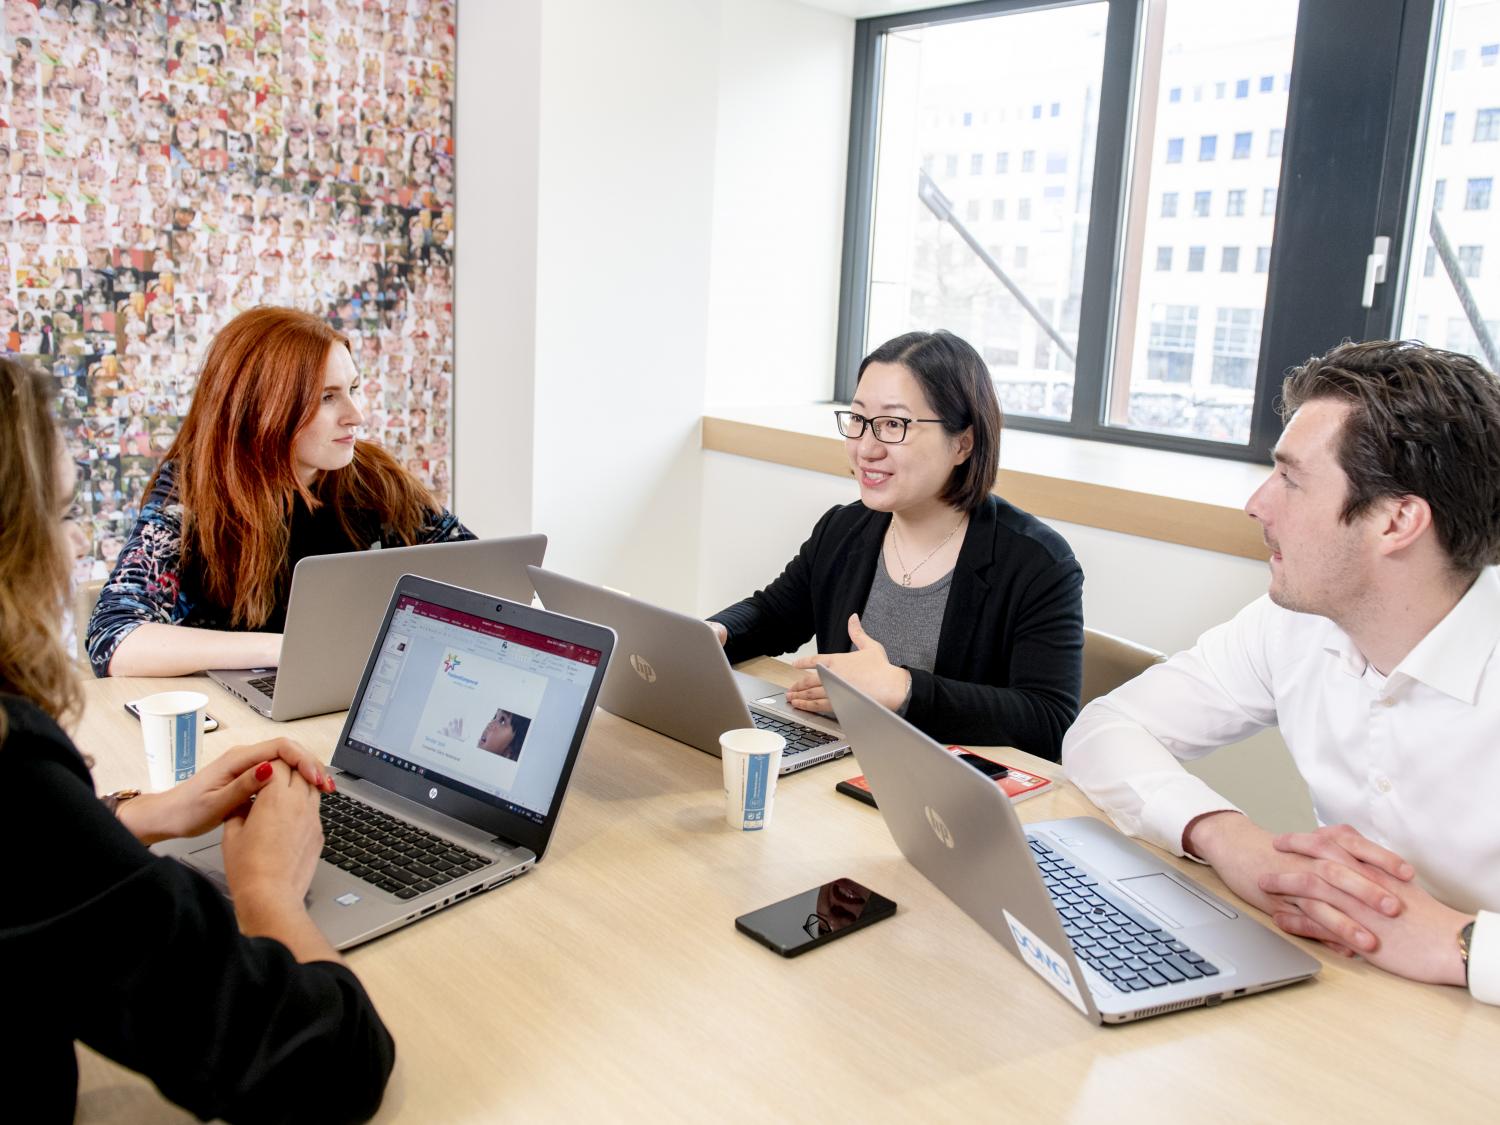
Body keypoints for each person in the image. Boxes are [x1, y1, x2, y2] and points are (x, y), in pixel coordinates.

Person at [0, 356, 395, 1120]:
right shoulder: (13, 774)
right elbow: (324, 1062)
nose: (73, 545)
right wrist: (265, 887)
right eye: (62, 511)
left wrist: (124, 817)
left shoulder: (371, 482)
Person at [1062, 339, 1500, 1005]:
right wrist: (1230, 839)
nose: (1258, 504)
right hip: (1351, 1002)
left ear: (1397, 521)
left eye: (1292, 479)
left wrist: (1459, 941)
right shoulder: (1293, 624)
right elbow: (1104, 730)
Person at [709, 330, 1083, 757]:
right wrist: (711, 633)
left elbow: (1050, 720)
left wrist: (902, 689)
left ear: (963, 442)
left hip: (943, 795)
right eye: (858, 419)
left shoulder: (1038, 562)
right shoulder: (845, 527)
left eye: (893, 424)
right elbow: (774, 614)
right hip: (839, 764)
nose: (866, 448)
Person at [88, 306, 473, 677]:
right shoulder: (191, 490)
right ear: (262, 409)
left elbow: (480, 575)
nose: (356, 415)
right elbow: (114, 639)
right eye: (327, 397)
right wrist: (289, 650)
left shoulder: (374, 476)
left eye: (352, 389)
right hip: (238, 713)